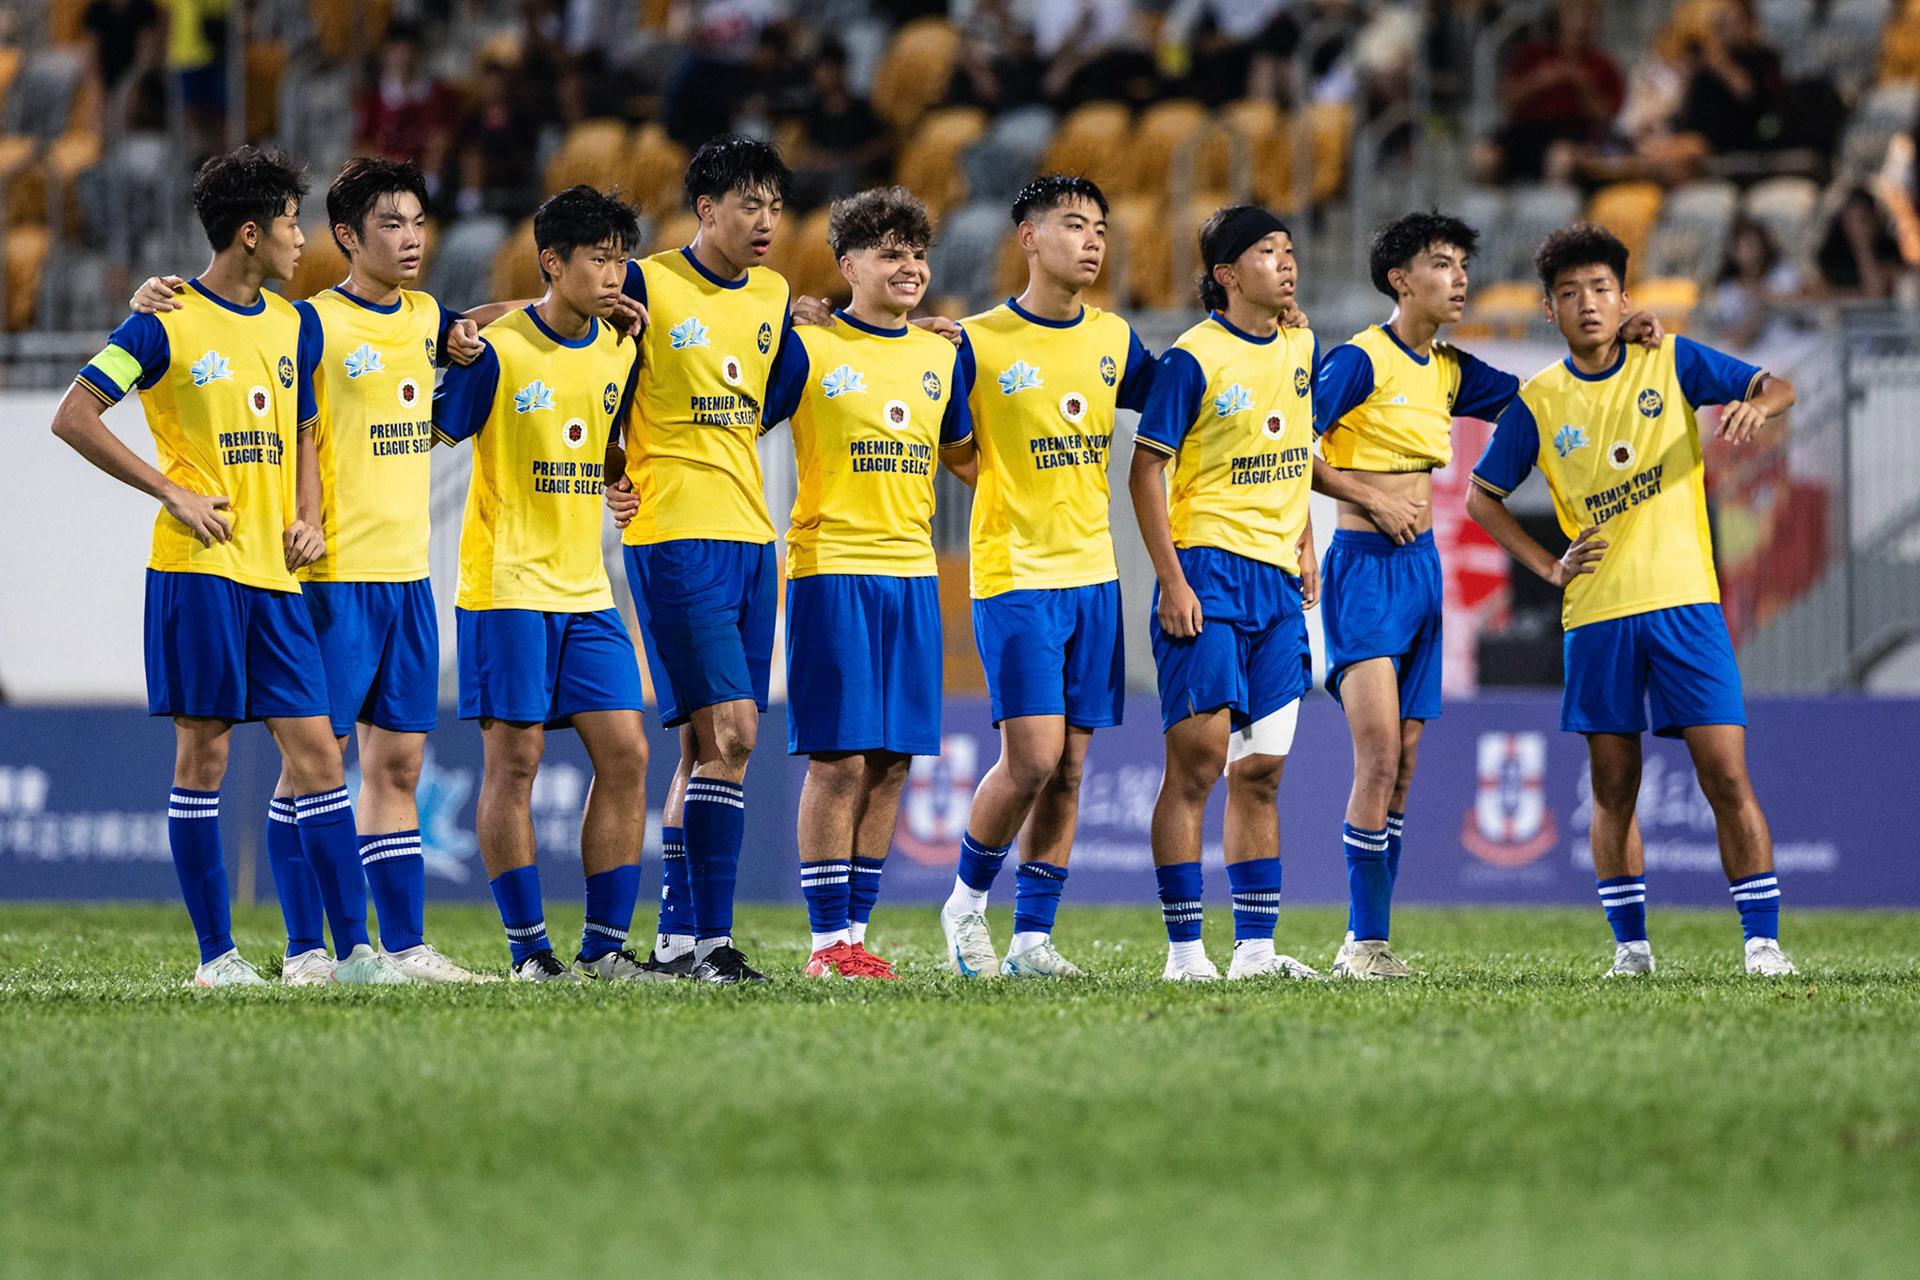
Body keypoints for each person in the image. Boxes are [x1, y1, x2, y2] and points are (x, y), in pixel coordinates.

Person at [128, 160, 487, 983]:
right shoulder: (309, 323)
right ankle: (304, 949)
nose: (412, 238)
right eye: (391, 223)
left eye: (419, 222)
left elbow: (491, 322)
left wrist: (473, 327)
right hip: (327, 581)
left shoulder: (430, 315)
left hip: (408, 579)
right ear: (349, 237)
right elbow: (267, 385)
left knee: (396, 767)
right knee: (305, 767)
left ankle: (400, 947)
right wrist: (153, 295)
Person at [1311, 213, 1663, 979]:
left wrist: (1622, 339)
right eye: (1443, 264)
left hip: (1421, 578)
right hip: (1363, 571)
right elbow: (1287, 450)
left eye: (1464, 264)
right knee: (1375, 758)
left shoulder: (1448, 370)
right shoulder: (1357, 362)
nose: (1461, 278)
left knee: (1403, 762)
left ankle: (1373, 941)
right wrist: (1368, 494)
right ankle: (1360, 945)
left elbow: (1545, 398)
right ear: (1401, 279)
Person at [50, 146, 360, 987]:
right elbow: (74, 415)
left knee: (320, 758)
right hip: (196, 573)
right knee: (206, 760)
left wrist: (309, 515)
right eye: (294, 223)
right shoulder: (162, 319)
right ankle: (217, 959)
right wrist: (168, 489)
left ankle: (336, 953)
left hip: (276, 576)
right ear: (252, 234)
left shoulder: (296, 322)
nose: (304, 239)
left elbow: (300, 428)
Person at [1466, 223, 1798, 977]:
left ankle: (1762, 942)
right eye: (1570, 293)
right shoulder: (1539, 402)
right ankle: (1631, 949)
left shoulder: (1672, 358)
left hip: (1686, 604)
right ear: (1549, 311)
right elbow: (1482, 498)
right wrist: (1548, 567)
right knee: (1614, 788)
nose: (1588, 304)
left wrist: (1757, 407)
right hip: (1597, 616)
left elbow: (1776, 386)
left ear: (1625, 298)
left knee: (1727, 775)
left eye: (1602, 289)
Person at [935, 175, 1155, 980]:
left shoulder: (1116, 340)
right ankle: (964, 904)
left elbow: (1181, 400)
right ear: (1028, 238)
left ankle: (1033, 940)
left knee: (1070, 767)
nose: (1092, 241)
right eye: (1072, 225)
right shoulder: (977, 341)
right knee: (1030, 757)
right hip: (1015, 574)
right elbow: (952, 443)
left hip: (1095, 576)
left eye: (1100, 227)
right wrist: (1004, 493)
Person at [431, 185, 652, 982]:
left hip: (586, 588)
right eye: (599, 258)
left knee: (626, 752)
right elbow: (442, 425)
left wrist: (618, 477)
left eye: (622, 258)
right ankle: (530, 952)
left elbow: (599, 442)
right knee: (514, 763)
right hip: (506, 587)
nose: (616, 274)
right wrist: (465, 335)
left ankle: (603, 949)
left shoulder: (621, 346)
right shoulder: (493, 349)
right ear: (552, 263)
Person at [756, 186, 974, 979]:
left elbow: (967, 456)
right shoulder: (807, 349)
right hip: (831, 571)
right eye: (890, 252)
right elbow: (733, 416)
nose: (910, 265)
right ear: (849, 265)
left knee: (892, 762)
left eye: (918, 252)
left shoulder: (939, 355)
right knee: (840, 760)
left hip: (913, 576)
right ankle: (822, 945)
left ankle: (852, 936)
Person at [608, 136, 794, 985]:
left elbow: (774, 395)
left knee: (698, 747)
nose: (766, 221)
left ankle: (680, 943)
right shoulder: (644, 281)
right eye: (748, 204)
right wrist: (610, 470)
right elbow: (558, 320)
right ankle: (716, 944)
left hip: (755, 536)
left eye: (776, 206)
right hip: (674, 532)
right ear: (706, 209)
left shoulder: (775, 293)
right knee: (736, 731)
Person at [1127, 206, 1324, 983]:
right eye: (1266, 252)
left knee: (1262, 771)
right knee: (1199, 766)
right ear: (1226, 275)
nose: (1285, 263)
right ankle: (1183, 954)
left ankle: (1255, 950)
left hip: (1277, 584)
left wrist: (1306, 541)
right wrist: (1171, 580)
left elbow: (1295, 454)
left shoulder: (1304, 343)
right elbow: (1146, 471)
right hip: (1207, 576)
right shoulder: (1192, 359)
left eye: (1288, 248)